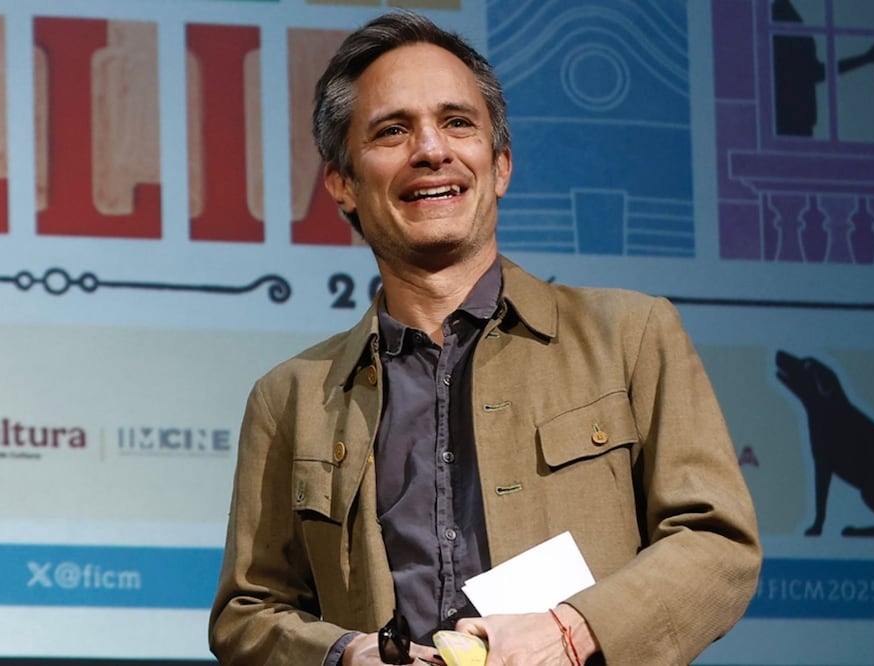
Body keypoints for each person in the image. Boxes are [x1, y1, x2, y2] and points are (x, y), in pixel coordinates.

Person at [209, 10, 761, 666]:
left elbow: (716, 543)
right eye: (392, 130)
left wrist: (570, 631)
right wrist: (344, 654)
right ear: (343, 183)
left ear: (499, 166)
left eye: (457, 123)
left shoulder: (631, 336)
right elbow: (247, 614)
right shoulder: (289, 399)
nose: (430, 150)